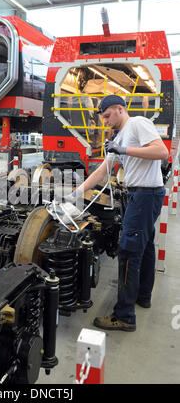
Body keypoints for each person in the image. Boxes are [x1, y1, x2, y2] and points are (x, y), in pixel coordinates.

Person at [67, 94, 169, 331]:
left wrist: (123, 148)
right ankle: (142, 296)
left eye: (107, 116)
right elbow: (102, 172)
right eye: (103, 118)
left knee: (128, 251)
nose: (105, 121)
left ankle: (124, 316)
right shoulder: (118, 138)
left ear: (120, 109)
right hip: (140, 194)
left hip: (145, 194)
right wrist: (77, 193)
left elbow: (161, 152)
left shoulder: (137, 124)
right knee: (145, 245)